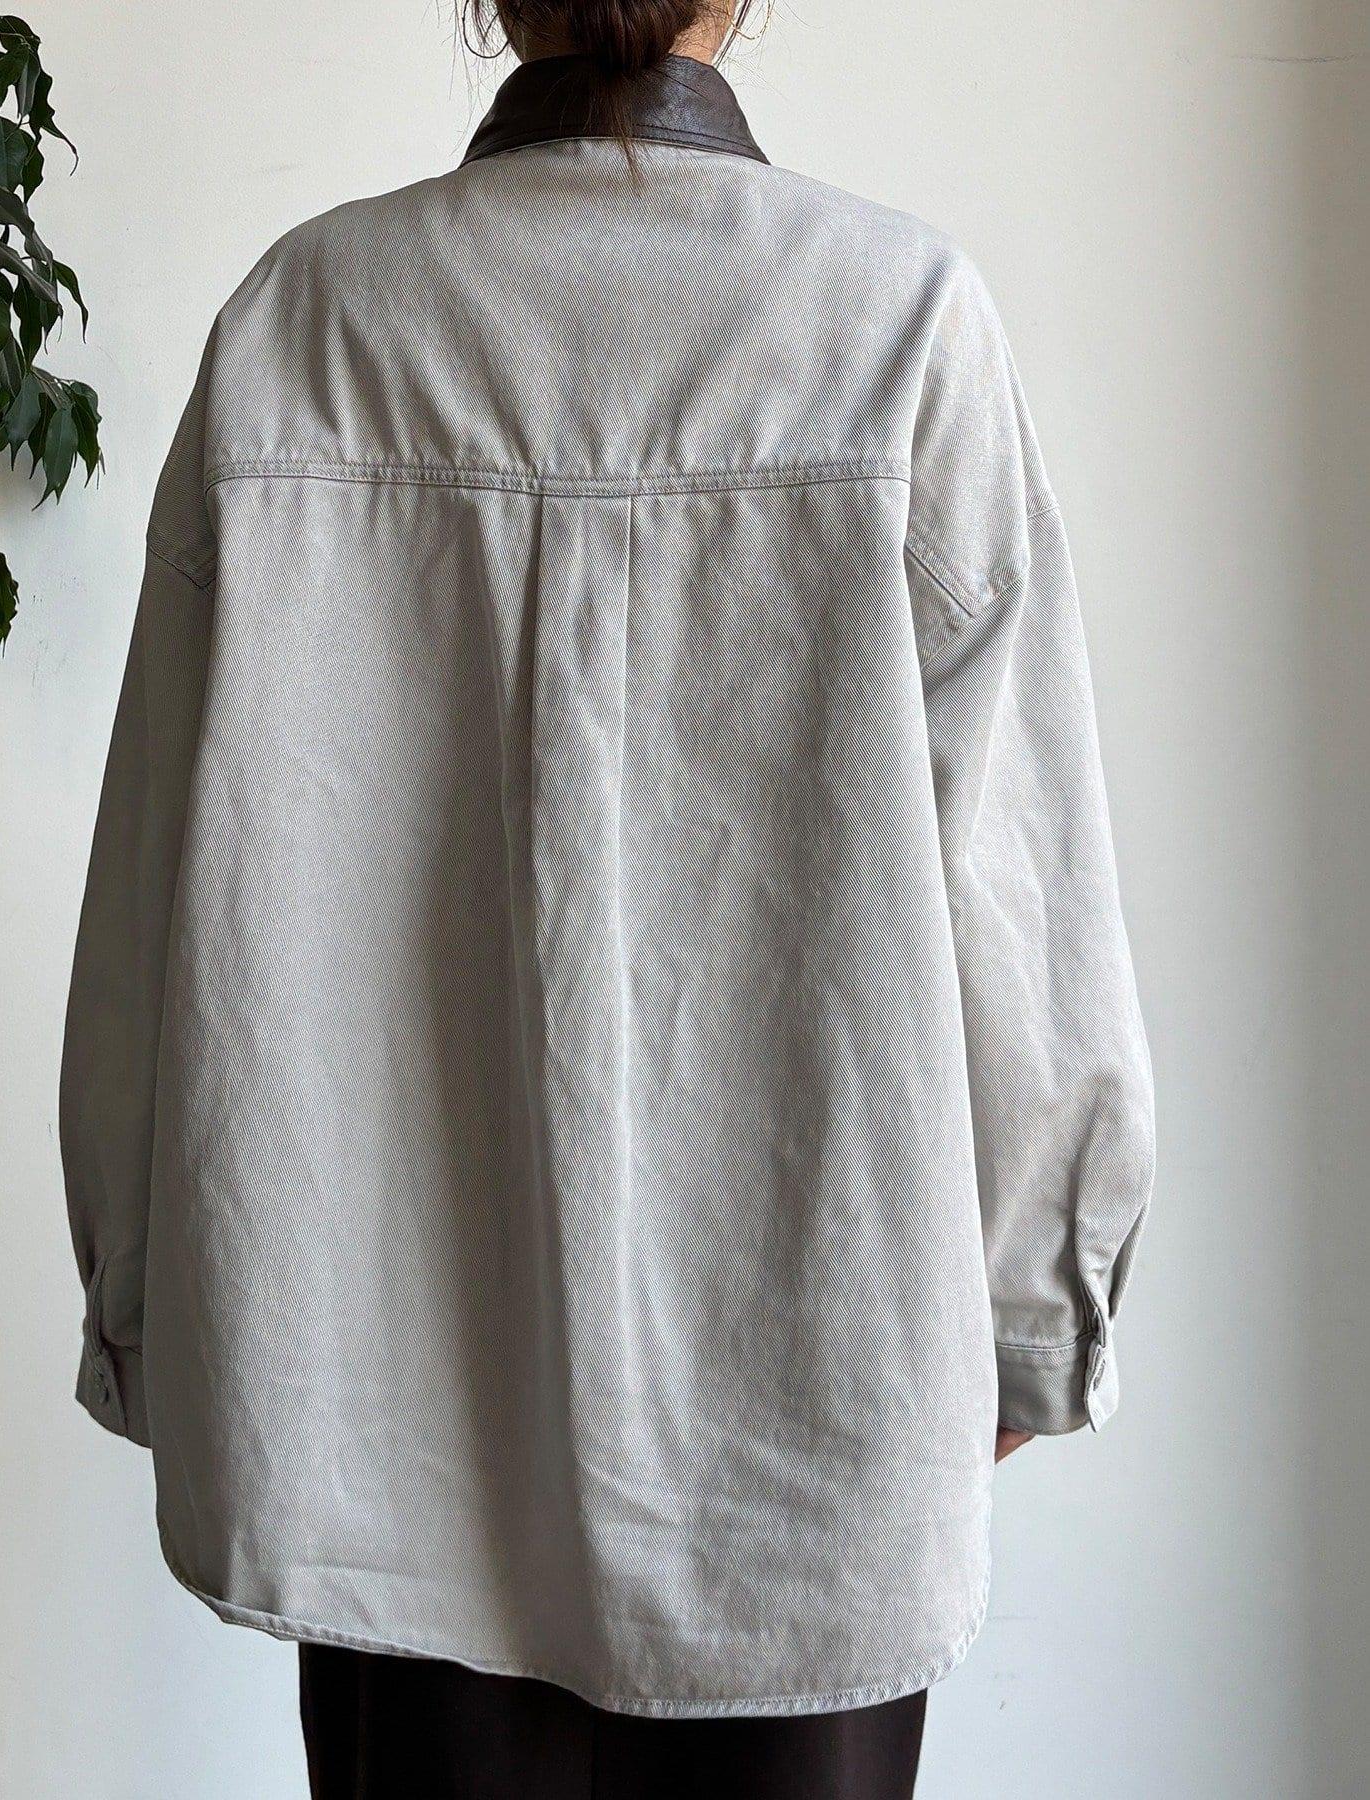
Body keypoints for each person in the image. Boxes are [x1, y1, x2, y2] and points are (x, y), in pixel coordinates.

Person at [59, 3, 1156, 1794]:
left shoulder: (302, 328)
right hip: (812, 1451)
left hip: (379, 1445)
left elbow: (148, 897)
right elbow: (1028, 902)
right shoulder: (899, 325)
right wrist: (1036, 1315)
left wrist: (149, 1307)